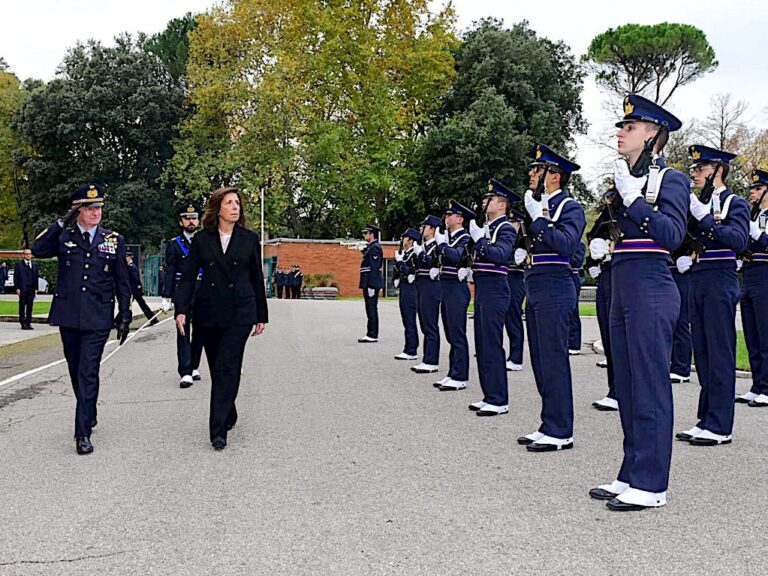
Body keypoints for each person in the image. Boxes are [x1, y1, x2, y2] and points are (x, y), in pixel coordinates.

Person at [589, 94, 688, 511]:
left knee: (648, 383)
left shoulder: (672, 181)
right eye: (621, 126)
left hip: (651, 285)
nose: (620, 132)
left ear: (652, 135)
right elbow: (614, 232)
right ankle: (631, 470)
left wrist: (634, 202)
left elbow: (672, 235)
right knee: (626, 385)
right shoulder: (622, 182)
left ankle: (652, 483)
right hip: (623, 284)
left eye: (629, 127)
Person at [32, 183, 132, 455]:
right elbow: (38, 248)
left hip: (98, 316)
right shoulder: (64, 236)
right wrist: (61, 221)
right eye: (89, 208)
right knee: (76, 370)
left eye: (99, 207)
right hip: (68, 316)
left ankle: (82, 433)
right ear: (77, 210)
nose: (96, 212)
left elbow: (122, 280)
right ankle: (89, 410)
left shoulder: (112, 239)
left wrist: (124, 313)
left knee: (89, 371)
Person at [174, 186, 268, 450]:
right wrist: (181, 310)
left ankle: (217, 430)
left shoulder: (248, 239)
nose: (235, 207)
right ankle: (229, 410)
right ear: (218, 208)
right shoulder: (203, 240)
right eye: (229, 203)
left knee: (228, 364)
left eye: (237, 203)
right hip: (209, 312)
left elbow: (255, 278)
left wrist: (261, 314)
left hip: (240, 312)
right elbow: (188, 276)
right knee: (218, 368)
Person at [675, 145, 749, 446]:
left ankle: (720, 425)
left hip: (720, 278)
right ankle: (706, 418)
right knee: (702, 351)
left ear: (718, 170)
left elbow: (739, 240)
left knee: (719, 351)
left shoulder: (735, 203)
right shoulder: (697, 203)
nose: (695, 173)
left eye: (701, 168)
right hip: (699, 277)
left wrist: (706, 219)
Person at [515, 145, 586, 450]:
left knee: (554, 360)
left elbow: (567, 245)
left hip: (556, 286)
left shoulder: (570, 208)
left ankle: (561, 430)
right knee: (541, 360)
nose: (531, 174)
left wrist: (539, 222)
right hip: (536, 285)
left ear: (554, 176)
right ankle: (549, 423)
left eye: (537, 169)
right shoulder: (538, 207)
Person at [467, 179, 518, 415]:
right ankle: (489, 394)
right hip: (483, 287)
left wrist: (480, 241)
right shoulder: (488, 228)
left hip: (496, 288)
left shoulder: (505, 227)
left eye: (488, 199)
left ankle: (499, 399)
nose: (483, 202)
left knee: (492, 343)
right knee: (482, 343)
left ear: (501, 204)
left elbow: (501, 255)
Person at [433, 200, 474, 391]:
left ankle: (460, 375)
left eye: (450, 215)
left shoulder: (465, 238)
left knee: (457, 333)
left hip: (457, 290)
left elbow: (457, 257)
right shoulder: (449, 239)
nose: (446, 218)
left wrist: (442, 246)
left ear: (459, 219)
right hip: (446, 287)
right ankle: (452, 372)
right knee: (450, 332)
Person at [162, 202, 204, 388]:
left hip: (203, 290)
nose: (191, 221)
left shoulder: (206, 241)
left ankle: (194, 365)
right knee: (183, 330)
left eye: (194, 218)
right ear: (181, 222)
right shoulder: (173, 244)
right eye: (187, 219)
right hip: (182, 292)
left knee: (202, 331)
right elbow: (170, 271)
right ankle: (185, 371)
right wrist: (166, 296)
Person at [736, 168, 768, 406]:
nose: (753, 193)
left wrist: (757, 234)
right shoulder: (751, 215)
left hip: (766, 274)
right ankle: (757, 384)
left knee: (765, 332)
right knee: (752, 333)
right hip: (749, 273)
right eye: (751, 189)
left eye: (757, 189)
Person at [587, 196, 618, 412]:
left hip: (623, 272)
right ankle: (614, 389)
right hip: (607, 273)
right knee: (608, 333)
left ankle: (622, 391)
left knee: (620, 337)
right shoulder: (609, 213)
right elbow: (596, 233)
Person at [411, 215, 442, 373]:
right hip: (422, 286)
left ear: (432, 229)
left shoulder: (436, 245)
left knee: (430, 324)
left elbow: (433, 262)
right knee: (424, 323)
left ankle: (432, 360)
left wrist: (420, 254)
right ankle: (427, 358)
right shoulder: (424, 246)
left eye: (424, 227)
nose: (421, 230)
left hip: (432, 287)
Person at [394, 228, 420, 361]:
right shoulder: (405, 254)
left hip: (411, 288)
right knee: (406, 318)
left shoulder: (414, 254)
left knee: (410, 319)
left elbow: (411, 272)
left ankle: (411, 349)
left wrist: (399, 263)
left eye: (404, 238)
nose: (402, 240)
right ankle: (409, 347)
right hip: (404, 287)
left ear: (410, 240)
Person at [669, 244, 693, 384]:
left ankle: (682, 368)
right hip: (669, 268)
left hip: (682, 272)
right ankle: (673, 363)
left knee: (681, 321)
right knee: (670, 322)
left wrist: (690, 255)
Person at [506, 211, 527, 372]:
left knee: (513, 315)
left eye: (515, 223)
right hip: (504, 277)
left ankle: (516, 356)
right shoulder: (504, 237)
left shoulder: (524, 240)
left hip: (517, 278)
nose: (512, 226)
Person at [357, 225, 383, 342]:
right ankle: (370, 333)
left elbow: (374, 267)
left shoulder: (375, 248)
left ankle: (372, 334)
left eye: (366, 233)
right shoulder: (371, 247)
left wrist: (371, 285)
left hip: (371, 282)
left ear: (372, 234)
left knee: (371, 308)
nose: (364, 235)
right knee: (369, 308)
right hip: (368, 281)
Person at [126, 251, 158, 325]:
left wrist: (138, 287)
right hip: (134, 290)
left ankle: (119, 321)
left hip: (134, 290)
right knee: (140, 305)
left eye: (126, 257)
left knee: (128, 305)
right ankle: (153, 318)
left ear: (129, 257)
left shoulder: (131, 267)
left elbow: (135, 278)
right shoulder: (131, 266)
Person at [13, 248, 39, 330]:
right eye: (27, 254)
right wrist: (17, 288)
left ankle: (28, 322)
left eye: (29, 254)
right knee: (22, 306)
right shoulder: (19, 265)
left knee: (30, 307)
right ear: (23, 255)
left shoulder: (34, 265)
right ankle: (22, 322)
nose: (28, 255)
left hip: (31, 289)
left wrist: (36, 288)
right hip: (23, 288)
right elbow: (16, 277)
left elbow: (36, 277)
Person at [568, 241, 586, 355]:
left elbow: (577, 261)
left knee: (573, 310)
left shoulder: (579, 244)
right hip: (562, 275)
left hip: (573, 276)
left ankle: (574, 344)